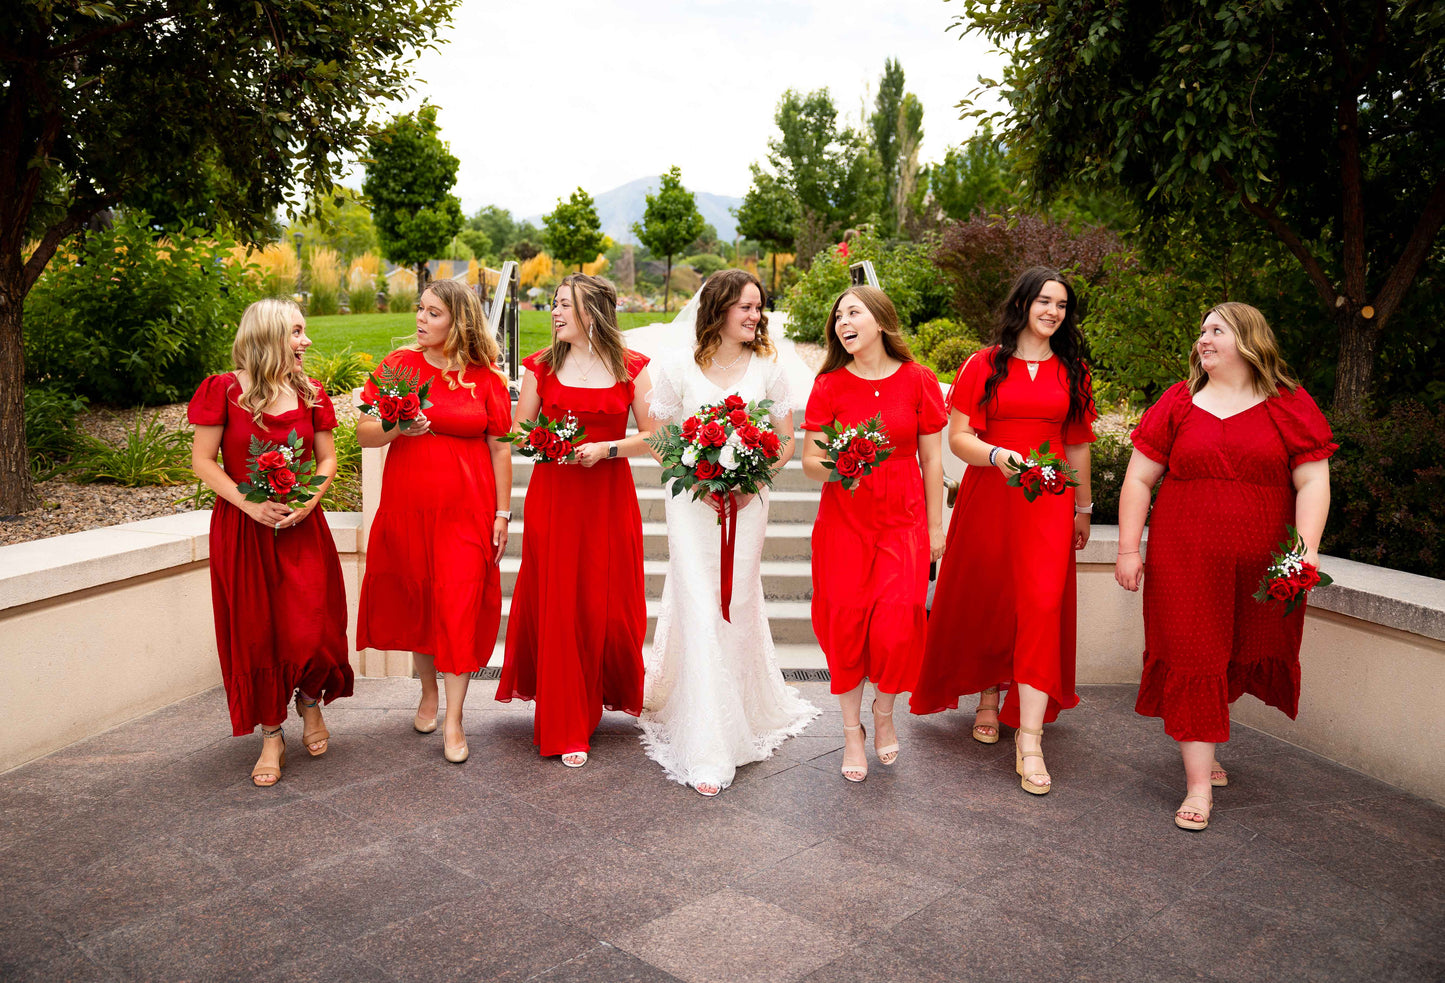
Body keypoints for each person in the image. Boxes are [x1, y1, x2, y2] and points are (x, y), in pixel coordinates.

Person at [1115, 302, 1334, 830]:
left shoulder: (1288, 404)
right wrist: (1128, 548)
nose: (1203, 339)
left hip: (1263, 566)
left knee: (1237, 653)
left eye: (1216, 330)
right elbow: (1139, 478)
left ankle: (1206, 749)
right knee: (1195, 655)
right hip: (1184, 560)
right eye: (1201, 331)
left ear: (1249, 340)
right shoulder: (1180, 401)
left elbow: (1313, 480)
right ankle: (1196, 786)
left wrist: (1304, 551)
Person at [910, 267, 1096, 796]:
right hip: (990, 495)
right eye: (1044, 301)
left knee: (1040, 605)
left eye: (1061, 305)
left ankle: (1030, 737)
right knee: (992, 597)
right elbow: (960, 437)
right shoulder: (983, 364)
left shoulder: (1073, 372)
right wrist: (996, 455)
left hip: (1049, 502)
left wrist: (1083, 505)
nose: (1052, 311)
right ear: (1022, 304)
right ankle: (988, 698)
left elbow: (1078, 442)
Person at [640, 270, 820, 796]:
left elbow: (786, 438)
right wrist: (695, 470)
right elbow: (662, 435)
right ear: (718, 309)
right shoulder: (676, 366)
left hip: (748, 501)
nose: (755, 316)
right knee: (699, 602)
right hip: (692, 505)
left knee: (734, 601)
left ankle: (738, 709)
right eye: (745, 307)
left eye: (758, 307)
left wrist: (752, 477)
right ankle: (707, 743)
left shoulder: (768, 366)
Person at [188, 298, 354, 787]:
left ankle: (309, 701)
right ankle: (271, 735)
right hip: (244, 530)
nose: (305, 341)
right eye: (296, 332)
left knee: (309, 625)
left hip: (302, 528)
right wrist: (251, 504)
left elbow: (327, 461)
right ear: (267, 337)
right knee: (257, 632)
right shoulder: (223, 390)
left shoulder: (311, 392)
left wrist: (308, 500)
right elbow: (204, 461)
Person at [496, 274, 654, 767]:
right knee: (560, 602)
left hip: (608, 500)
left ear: (593, 312)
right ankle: (565, 721)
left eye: (565, 305)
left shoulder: (632, 368)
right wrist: (548, 443)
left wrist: (605, 449)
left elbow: (656, 436)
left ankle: (591, 699)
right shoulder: (540, 367)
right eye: (555, 304)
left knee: (602, 606)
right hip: (555, 499)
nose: (555, 312)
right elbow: (517, 432)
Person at [356, 279, 513, 764]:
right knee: (420, 601)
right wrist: (398, 424)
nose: (421, 319)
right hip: (408, 507)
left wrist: (502, 512)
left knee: (460, 605)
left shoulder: (487, 377)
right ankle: (428, 692)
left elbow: (500, 447)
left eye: (433, 313)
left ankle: (455, 719)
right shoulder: (398, 367)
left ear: (459, 321)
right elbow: (364, 434)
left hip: (467, 510)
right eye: (420, 310)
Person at [802, 286, 947, 782]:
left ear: (880, 321)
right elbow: (809, 462)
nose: (843, 321)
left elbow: (932, 459)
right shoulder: (828, 386)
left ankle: (883, 715)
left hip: (903, 519)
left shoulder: (919, 380)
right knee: (845, 627)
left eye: (854, 312)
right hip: (845, 522)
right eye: (838, 314)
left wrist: (936, 528)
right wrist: (844, 463)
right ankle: (850, 731)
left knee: (897, 623)